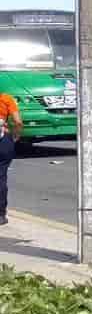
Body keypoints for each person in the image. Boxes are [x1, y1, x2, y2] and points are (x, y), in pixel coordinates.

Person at [0, 90, 20, 227]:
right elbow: (18, 122)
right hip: (3, 141)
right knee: (1, 177)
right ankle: (1, 214)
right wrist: (15, 136)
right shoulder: (6, 98)